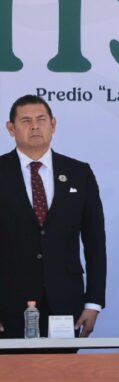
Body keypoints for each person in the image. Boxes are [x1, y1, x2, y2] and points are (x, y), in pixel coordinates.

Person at [0, 94, 106, 339]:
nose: (35, 126)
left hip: (67, 304)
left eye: (41, 119)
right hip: (8, 305)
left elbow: (95, 241)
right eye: (26, 121)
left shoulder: (79, 172)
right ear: (11, 128)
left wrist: (93, 303)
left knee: (63, 376)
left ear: (53, 124)